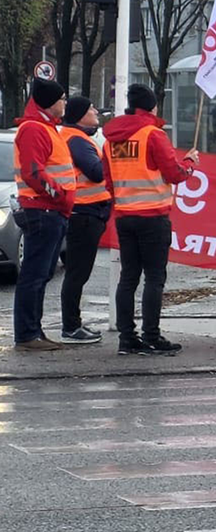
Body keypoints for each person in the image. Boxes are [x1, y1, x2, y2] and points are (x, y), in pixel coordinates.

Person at [104, 84, 199, 356]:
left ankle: (127, 338)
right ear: (151, 107)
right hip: (153, 217)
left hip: (124, 216)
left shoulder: (112, 140)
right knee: (154, 278)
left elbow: (107, 179)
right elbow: (174, 174)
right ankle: (152, 336)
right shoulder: (152, 135)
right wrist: (190, 163)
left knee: (128, 278)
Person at [10, 78, 75, 352]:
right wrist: (60, 196)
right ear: (49, 103)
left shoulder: (45, 129)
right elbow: (33, 172)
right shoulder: (35, 129)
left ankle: (33, 332)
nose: (65, 103)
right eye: (61, 99)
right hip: (44, 209)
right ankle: (27, 335)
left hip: (50, 210)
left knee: (42, 274)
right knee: (35, 275)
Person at [58, 96, 111, 344]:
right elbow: (97, 171)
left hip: (83, 213)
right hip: (84, 214)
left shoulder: (75, 137)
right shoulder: (77, 140)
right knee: (77, 273)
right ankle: (71, 326)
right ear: (80, 115)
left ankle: (72, 324)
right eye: (91, 109)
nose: (96, 112)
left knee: (76, 273)